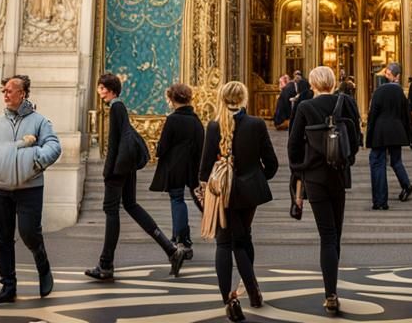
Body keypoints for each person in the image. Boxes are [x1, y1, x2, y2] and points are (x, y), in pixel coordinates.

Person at [84, 72, 187, 281]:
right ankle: (170, 249)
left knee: (111, 211)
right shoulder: (119, 106)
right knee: (131, 205)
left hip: (117, 168)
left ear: (111, 89)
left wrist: (108, 170)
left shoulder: (116, 107)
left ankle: (106, 264)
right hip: (125, 165)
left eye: (102, 87)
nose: (100, 91)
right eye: (99, 87)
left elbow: (114, 142)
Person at [0, 75, 63, 309]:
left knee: (29, 233)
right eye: (3, 91)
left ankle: (43, 266)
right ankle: (8, 287)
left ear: (22, 93)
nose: (4, 94)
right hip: (0, 188)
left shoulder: (40, 121)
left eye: (9, 90)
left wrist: (34, 162)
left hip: (30, 188)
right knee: (3, 238)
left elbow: (54, 146)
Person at [200, 80, 278, 321]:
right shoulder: (256, 124)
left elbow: (203, 170)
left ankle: (229, 300)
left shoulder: (214, 126)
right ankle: (252, 292)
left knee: (225, 244)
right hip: (249, 191)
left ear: (222, 98)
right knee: (244, 238)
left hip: (222, 192)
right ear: (244, 99)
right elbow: (272, 164)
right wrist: (255, 178)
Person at [288, 65, 361, 317]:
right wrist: (345, 160)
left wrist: (300, 169)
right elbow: (356, 139)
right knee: (335, 234)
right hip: (339, 175)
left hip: (314, 177)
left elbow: (294, 144)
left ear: (312, 83)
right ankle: (333, 289)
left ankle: (330, 293)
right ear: (332, 82)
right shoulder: (346, 103)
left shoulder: (305, 107)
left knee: (326, 235)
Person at [150, 83, 204, 259]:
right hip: (192, 166)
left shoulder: (173, 119)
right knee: (190, 198)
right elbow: (201, 144)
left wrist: (159, 151)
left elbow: (163, 145)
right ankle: (182, 237)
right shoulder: (196, 120)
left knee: (177, 199)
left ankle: (181, 239)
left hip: (174, 166)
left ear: (173, 99)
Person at [366, 62, 412, 209]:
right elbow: (406, 115)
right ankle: (406, 184)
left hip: (380, 132)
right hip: (396, 131)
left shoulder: (378, 92)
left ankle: (380, 201)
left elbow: (372, 115)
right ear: (398, 76)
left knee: (377, 163)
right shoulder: (400, 93)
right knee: (396, 160)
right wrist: (408, 135)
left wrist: (368, 137)